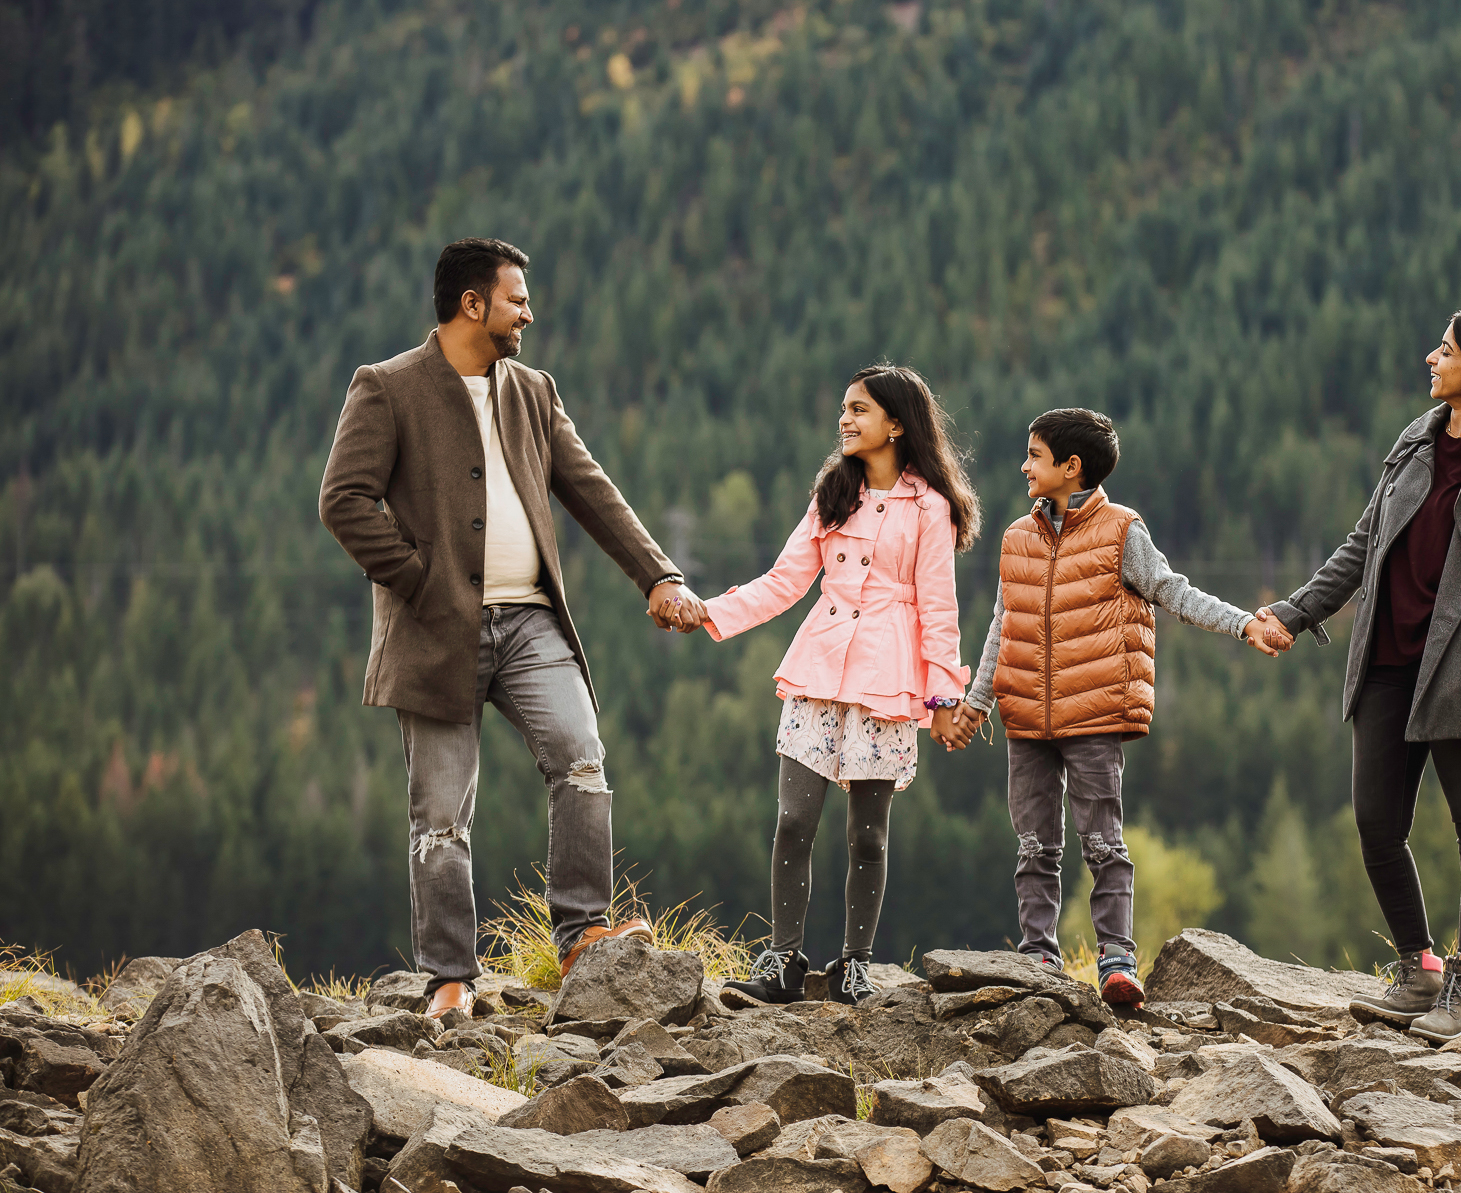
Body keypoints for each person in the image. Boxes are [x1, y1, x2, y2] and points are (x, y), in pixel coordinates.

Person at [320, 238, 707, 1019]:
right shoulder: (387, 387)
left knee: (581, 759)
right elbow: (343, 500)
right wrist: (418, 578)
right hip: (433, 628)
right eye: (517, 299)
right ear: (473, 304)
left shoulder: (533, 390)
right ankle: (450, 978)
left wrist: (659, 574)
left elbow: (591, 490)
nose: (529, 311)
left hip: (531, 619)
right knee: (440, 813)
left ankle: (582, 935)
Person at [1249, 307, 1461, 1042]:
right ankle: (1419, 966)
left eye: (1445, 350)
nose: (1431, 357)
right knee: (1375, 824)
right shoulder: (1413, 441)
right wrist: (1293, 614)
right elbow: (1362, 546)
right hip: (1388, 660)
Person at [956, 408, 1283, 1006]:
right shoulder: (1016, 538)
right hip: (1026, 716)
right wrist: (977, 704)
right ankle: (1038, 956)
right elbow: (1004, 623)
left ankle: (1115, 960)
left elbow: (1173, 591)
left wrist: (1244, 626)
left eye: (1035, 454)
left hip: (1095, 716)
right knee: (1034, 846)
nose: (1024, 465)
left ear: (1070, 467)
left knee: (1103, 842)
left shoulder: (1122, 531)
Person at [691, 366, 979, 1007]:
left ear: (897, 425)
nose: (845, 420)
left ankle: (854, 963)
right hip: (819, 669)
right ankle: (784, 959)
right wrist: (710, 611)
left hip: (887, 679)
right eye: (843, 410)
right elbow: (783, 581)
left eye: (859, 410)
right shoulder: (833, 494)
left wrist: (942, 699)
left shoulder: (929, 509)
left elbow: (939, 610)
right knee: (793, 821)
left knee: (867, 834)